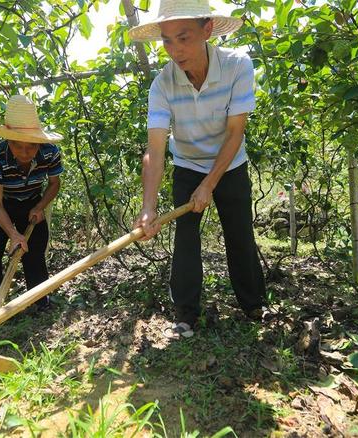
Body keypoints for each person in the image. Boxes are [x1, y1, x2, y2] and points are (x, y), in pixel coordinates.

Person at [129, 0, 268, 338]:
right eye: (166, 40)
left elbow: (236, 132)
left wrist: (210, 184)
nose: (174, 50)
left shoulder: (237, 66)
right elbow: (156, 149)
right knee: (186, 239)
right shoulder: (162, 84)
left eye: (183, 37)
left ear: (207, 31)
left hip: (230, 163)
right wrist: (148, 209)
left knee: (239, 234)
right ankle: (185, 316)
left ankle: (254, 304)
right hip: (188, 163)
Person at [0, 95, 63, 318]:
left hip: (32, 201)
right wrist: (13, 233)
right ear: (8, 142)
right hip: (0, 205)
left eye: (31, 147)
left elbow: (54, 183)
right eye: (18, 146)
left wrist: (40, 206)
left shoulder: (50, 153)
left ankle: (40, 303)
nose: (25, 153)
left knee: (34, 254)